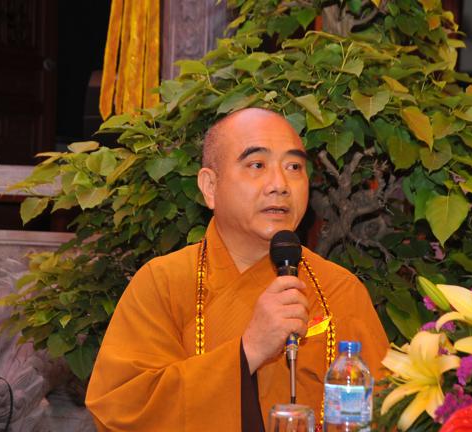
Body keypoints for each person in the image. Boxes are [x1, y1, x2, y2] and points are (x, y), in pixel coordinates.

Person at [85, 108, 389, 431]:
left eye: (294, 167)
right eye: (257, 165)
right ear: (210, 186)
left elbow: (387, 413)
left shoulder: (339, 290)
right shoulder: (163, 283)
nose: (280, 185)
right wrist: (249, 349)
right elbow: (121, 411)